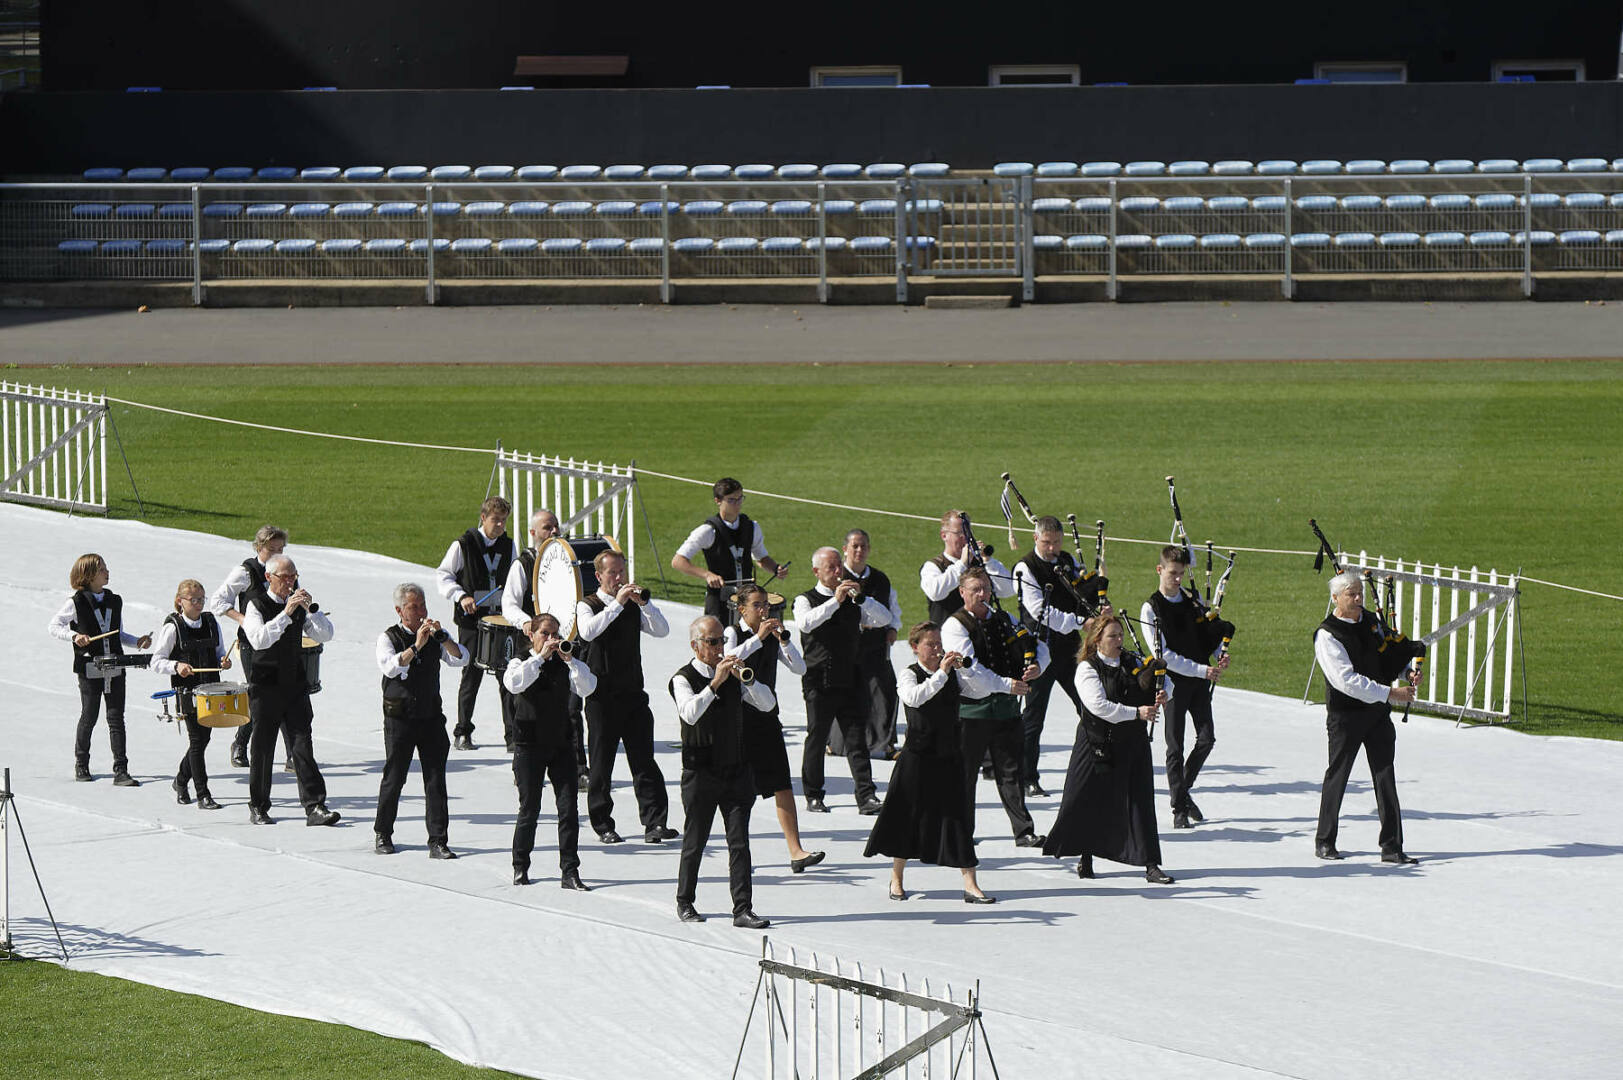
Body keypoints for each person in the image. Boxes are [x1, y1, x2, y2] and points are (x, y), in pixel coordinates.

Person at [864, 622, 996, 904]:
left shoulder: (950, 674)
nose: (937, 649)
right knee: (907, 817)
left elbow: (980, 691)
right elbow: (915, 698)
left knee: (959, 818)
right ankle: (897, 878)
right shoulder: (908, 675)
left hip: (949, 755)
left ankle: (970, 884)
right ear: (915, 647)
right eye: (931, 644)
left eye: (940, 644)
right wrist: (942, 673)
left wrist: (966, 670)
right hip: (917, 757)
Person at [1043, 613, 1175, 884]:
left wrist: (1163, 691)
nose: (1118, 640)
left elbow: (1167, 683)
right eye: (1112, 636)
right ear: (1096, 641)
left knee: (1140, 802)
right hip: (1097, 742)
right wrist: (1138, 713)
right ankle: (1085, 854)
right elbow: (1099, 707)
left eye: (1120, 635)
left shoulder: (1132, 661)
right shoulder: (1086, 669)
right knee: (1084, 799)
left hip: (1133, 743)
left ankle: (1150, 864)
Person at [668, 615, 774, 928]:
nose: (718, 648)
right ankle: (685, 900)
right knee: (695, 840)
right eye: (711, 642)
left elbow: (768, 705)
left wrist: (749, 681)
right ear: (695, 645)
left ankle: (742, 908)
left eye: (720, 642)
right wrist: (715, 682)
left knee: (739, 843)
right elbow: (690, 714)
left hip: (736, 770)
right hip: (701, 773)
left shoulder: (734, 676)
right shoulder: (682, 678)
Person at [1313, 571, 1419, 865]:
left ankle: (1392, 846)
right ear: (1336, 598)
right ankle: (1325, 840)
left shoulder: (1372, 622)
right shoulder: (1327, 634)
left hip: (1377, 714)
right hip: (1345, 717)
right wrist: (1391, 694)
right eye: (1352, 594)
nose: (1359, 599)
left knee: (1385, 776)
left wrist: (1406, 671)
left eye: (1360, 593)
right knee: (1338, 775)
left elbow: (1389, 654)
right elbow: (1346, 681)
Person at [576, 548, 678, 845]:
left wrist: (645, 605)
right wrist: (617, 605)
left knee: (644, 761)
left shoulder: (632, 606)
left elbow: (661, 630)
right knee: (602, 763)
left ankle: (655, 822)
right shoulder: (588, 605)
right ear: (599, 576)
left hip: (633, 693)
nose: (620, 578)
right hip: (601, 697)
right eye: (613, 573)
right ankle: (603, 824)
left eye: (622, 572)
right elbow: (588, 632)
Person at [941, 568, 1047, 848]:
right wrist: (1006, 685)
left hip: (1006, 710)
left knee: (1012, 771)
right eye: (975, 589)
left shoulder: (1005, 619)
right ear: (962, 592)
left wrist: (1037, 667)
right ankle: (962, 831)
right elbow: (969, 669)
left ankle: (1023, 831)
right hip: (972, 712)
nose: (982, 594)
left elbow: (1037, 645)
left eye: (985, 588)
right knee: (966, 775)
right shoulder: (955, 625)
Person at [723, 583, 825, 872]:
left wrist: (782, 640)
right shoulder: (733, 633)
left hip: (767, 716)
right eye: (757, 605)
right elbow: (730, 659)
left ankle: (796, 850)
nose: (764, 609)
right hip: (739, 720)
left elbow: (800, 668)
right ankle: (738, 853)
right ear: (742, 608)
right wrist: (758, 637)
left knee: (781, 783)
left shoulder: (771, 635)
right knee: (741, 790)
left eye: (765, 604)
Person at [1013, 516, 1109, 798]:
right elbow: (1040, 612)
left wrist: (1099, 605)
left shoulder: (1067, 560)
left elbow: (1082, 593)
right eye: (1047, 542)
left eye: (1056, 542)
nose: (1052, 548)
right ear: (1035, 539)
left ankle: (1098, 764)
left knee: (1090, 705)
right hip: (1039, 651)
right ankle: (1028, 776)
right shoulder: (1025, 568)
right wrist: (1082, 621)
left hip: (1070, 651)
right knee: (1033, 717)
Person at [241, 554, 338, 826]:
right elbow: (259, 640)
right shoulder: (256, 605)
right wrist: (285, 614)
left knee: (302, 745)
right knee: (262, 748)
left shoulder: (297, 607)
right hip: (265, 686)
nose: (290, 582)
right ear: (269, 578)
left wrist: (312, 611)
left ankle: (315, 806)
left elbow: (325, 635)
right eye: (285, 577)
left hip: (294, 685)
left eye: (294, 576)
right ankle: (259, 805)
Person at [795, 546, 893, 815]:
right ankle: (814, 794)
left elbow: (885, 618)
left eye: (839, 567)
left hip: (849, 678)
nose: (838, 572)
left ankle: (866, 795)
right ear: (817, 571)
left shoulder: (852, 601)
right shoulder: (806, 599)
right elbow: (806, 623)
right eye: (831, 568)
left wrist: (862, 599)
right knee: (817, 738)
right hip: (819, 680)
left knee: (856, 740)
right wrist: (834, 602)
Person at [503, 613, 598, 889]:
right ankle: (520, 865)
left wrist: (572, 661)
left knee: (568, 809)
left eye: (556, 634)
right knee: (529, 808)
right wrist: (539, 658)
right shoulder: (520, 661)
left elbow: (588, 688)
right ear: (531, 634)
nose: (552, 639)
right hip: (528, 744)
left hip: (561, 743)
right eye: (545, 633)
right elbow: (514, 684)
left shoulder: (565, 661)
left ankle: (570, 871)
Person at [373, 583, 467, 859]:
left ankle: (438, 840)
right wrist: (417, 645)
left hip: (431, 718)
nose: (420, 612)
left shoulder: (436, 638)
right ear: (400, 610)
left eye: (423, 606)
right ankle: (383, 832)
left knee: (436, 780)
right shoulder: (388, 638)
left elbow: (461, 659)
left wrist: (443, 636)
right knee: (395, 777)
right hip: (400, 719)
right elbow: (391, 667)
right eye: (414, 607)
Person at [1142, 545, 1230, 830]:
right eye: (1172, 573)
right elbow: (1163, 655)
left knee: (1206, 739)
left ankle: (1182, 792)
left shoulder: (1193, 601)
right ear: (1160, 570)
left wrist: (1219, 652)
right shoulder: (1151, 608)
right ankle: (1179, 808)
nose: (1178, 579)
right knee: (1175, 746)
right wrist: (1202, 669)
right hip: (1174, 684)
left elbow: (1207, 635)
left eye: (1181, 574)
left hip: (1200, 681)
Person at [47, 553, 152, 785]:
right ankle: (81, 764)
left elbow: (118, 634)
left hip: (115, 666)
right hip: (89, 668)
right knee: (90, 715)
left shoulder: (115, 600)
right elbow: (54, 626)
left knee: (116, 718)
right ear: (89, 575)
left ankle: (121, 770)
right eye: (102, 569)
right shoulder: (76, 602)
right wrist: (75, 636)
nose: (107, 571)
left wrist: (137, 642)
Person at [435, 495, 519, 751]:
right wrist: (461, 596)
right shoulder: (463, 544)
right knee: (471, 675)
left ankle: (512, 736)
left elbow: (515, 578)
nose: (500, 526)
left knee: (508, 676)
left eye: (504, 521)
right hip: (472, 622)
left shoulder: (508, 546)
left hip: (502, 621)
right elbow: (443, 575)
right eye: (496, 520)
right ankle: (462, 732)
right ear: (483, 518)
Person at [208, 525, 291, 769]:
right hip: (251, 644)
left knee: (286, 692)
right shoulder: (245, 572)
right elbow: (218, 601)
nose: (276, 554)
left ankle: (292, 755)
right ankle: (241, 743)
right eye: (271, 549)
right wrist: (243, 618)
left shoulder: (285, 569)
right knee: (259, 695)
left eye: (280, 549)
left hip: (280, 641)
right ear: (259, 548)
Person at [150, 578, 232, 809]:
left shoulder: (210, 622)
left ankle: (180, 780)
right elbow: (156, 661)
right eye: (193, 600)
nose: (198, 604)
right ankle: (203, 793)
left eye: (201, 600)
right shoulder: (172, 627)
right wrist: (177, 666)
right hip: (187, 692)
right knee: (197, 741)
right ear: (180, 601)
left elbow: (220, 652)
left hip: (211, 691)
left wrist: (223, 662)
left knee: (203, 740)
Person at [827, 528, 903, 760]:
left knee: (884, 690)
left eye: (864, 546)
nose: (860, 551)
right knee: (843, 693)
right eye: (855, 546)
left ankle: (886, 743)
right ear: (845, 549)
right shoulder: (836, 578)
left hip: (875, 645)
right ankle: (836, 743)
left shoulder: (880, 579)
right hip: (845, 646)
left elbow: (893, 607)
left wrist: (892, 628)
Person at [671, 477, 788, 620]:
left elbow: (761, 558)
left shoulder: (752, 527)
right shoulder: (707, 531)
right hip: (719, 600)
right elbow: (678, 561)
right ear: (718, 501)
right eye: (731, 500)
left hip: (748, 601)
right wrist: (707, 575)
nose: (737, 504)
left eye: (740, 498)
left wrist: (776, 568)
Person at [919, 510, 1016, 627]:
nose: (965, 538)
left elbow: (1009, 590)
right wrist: (962, 563)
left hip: (984, 635)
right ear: (944, 535)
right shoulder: (933, 566)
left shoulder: (980, 563)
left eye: (967, 532)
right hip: (949, 637)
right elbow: (935, 593)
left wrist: (988, 561)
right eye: (959, 533)